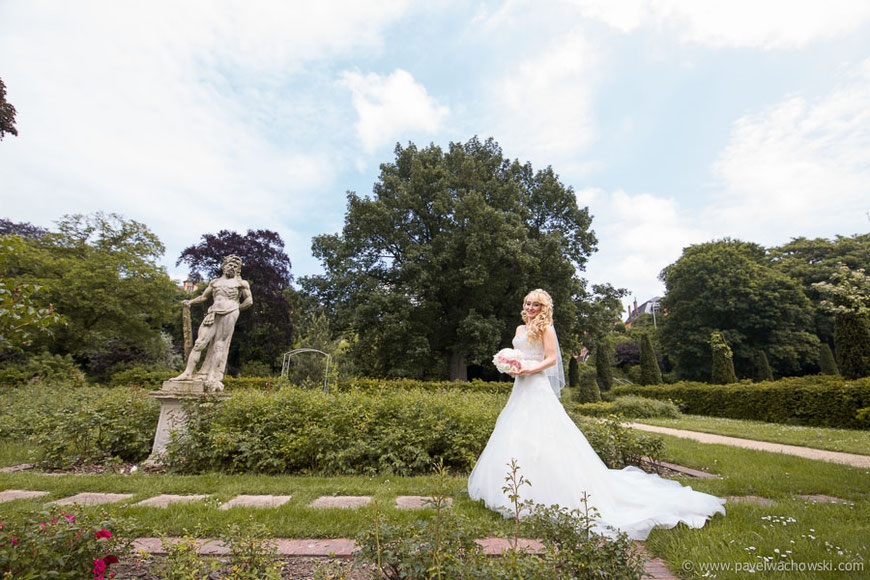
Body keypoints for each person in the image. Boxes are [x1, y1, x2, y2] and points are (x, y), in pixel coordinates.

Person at [467, 289, 725, 540]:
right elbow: (520, 354)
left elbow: (552, 359)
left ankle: (549, 493)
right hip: (520, 388)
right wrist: (513, 364)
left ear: (543, 308)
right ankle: (510, 494)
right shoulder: (520, 329)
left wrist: (528, 369)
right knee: (514, 435)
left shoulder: (545, 328)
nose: (530, 308)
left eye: (535, 304)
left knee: (543, 435)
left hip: (536, 385)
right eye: (527, 303)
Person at [171, 254, 252, 391]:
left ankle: (211, 376)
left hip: (229, 313)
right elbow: (203, 297)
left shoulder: (241, 283)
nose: (231, 267)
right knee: (199, 343)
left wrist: (235, 308)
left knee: (219, 345)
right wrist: (190, 302)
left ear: (238, 269)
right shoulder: (215, 282)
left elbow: (249, 300)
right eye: (229, 265)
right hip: (213, 312)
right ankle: (187, 373)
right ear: (223, 267)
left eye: (235, 266)